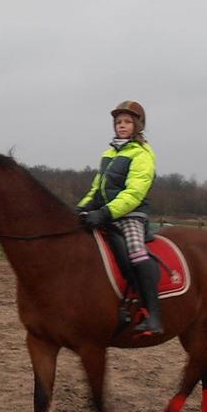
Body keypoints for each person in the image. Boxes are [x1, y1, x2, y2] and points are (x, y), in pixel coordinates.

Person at [77, 100, 161, 336]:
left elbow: (134, 193)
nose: (121, 126)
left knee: (135, 251)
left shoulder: (142, 153)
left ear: (137, 125)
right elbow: (96, 188)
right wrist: (81, 209)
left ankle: (153, 313)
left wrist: (105, 213)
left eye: (127, 122)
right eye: (118, 122)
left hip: (130, 215)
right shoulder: (109, 153)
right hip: (106, 213)